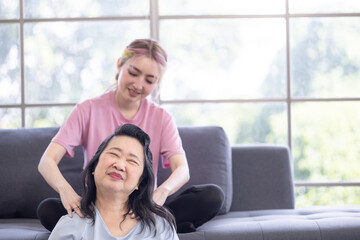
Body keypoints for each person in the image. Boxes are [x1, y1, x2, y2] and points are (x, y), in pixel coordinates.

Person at [38, 38, 224, 233]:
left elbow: (182, 170)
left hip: (143, 207)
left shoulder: (162, 118)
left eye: (149, 80)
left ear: (157, 83)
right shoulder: (87, 110)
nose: (138, 84)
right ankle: (156, 229)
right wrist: (65, 190)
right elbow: (47, 161)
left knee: (211, 196)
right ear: (120, 65)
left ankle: (151, 225)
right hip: (99, 208)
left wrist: (160, 194)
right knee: (48, 210)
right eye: (133, 73)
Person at [49, 124, 178, 240]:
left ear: (140, 181)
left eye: (132, 161)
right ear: (94, 166)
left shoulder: (160, 228)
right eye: (114, 154)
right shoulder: (69, 226)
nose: (120, 165)